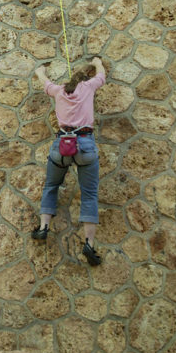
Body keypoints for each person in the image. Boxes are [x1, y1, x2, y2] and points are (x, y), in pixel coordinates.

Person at [32, 57, 106, 266]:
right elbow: (102, 76)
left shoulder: (58, 90)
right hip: (85, 145)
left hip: (62, 145)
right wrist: (97, 62)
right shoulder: (90, 86)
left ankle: (44, 227)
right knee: (89, 194)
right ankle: (89, 244)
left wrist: (40, 71)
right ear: (85, 78)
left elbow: (44, 81)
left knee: (51, 185)